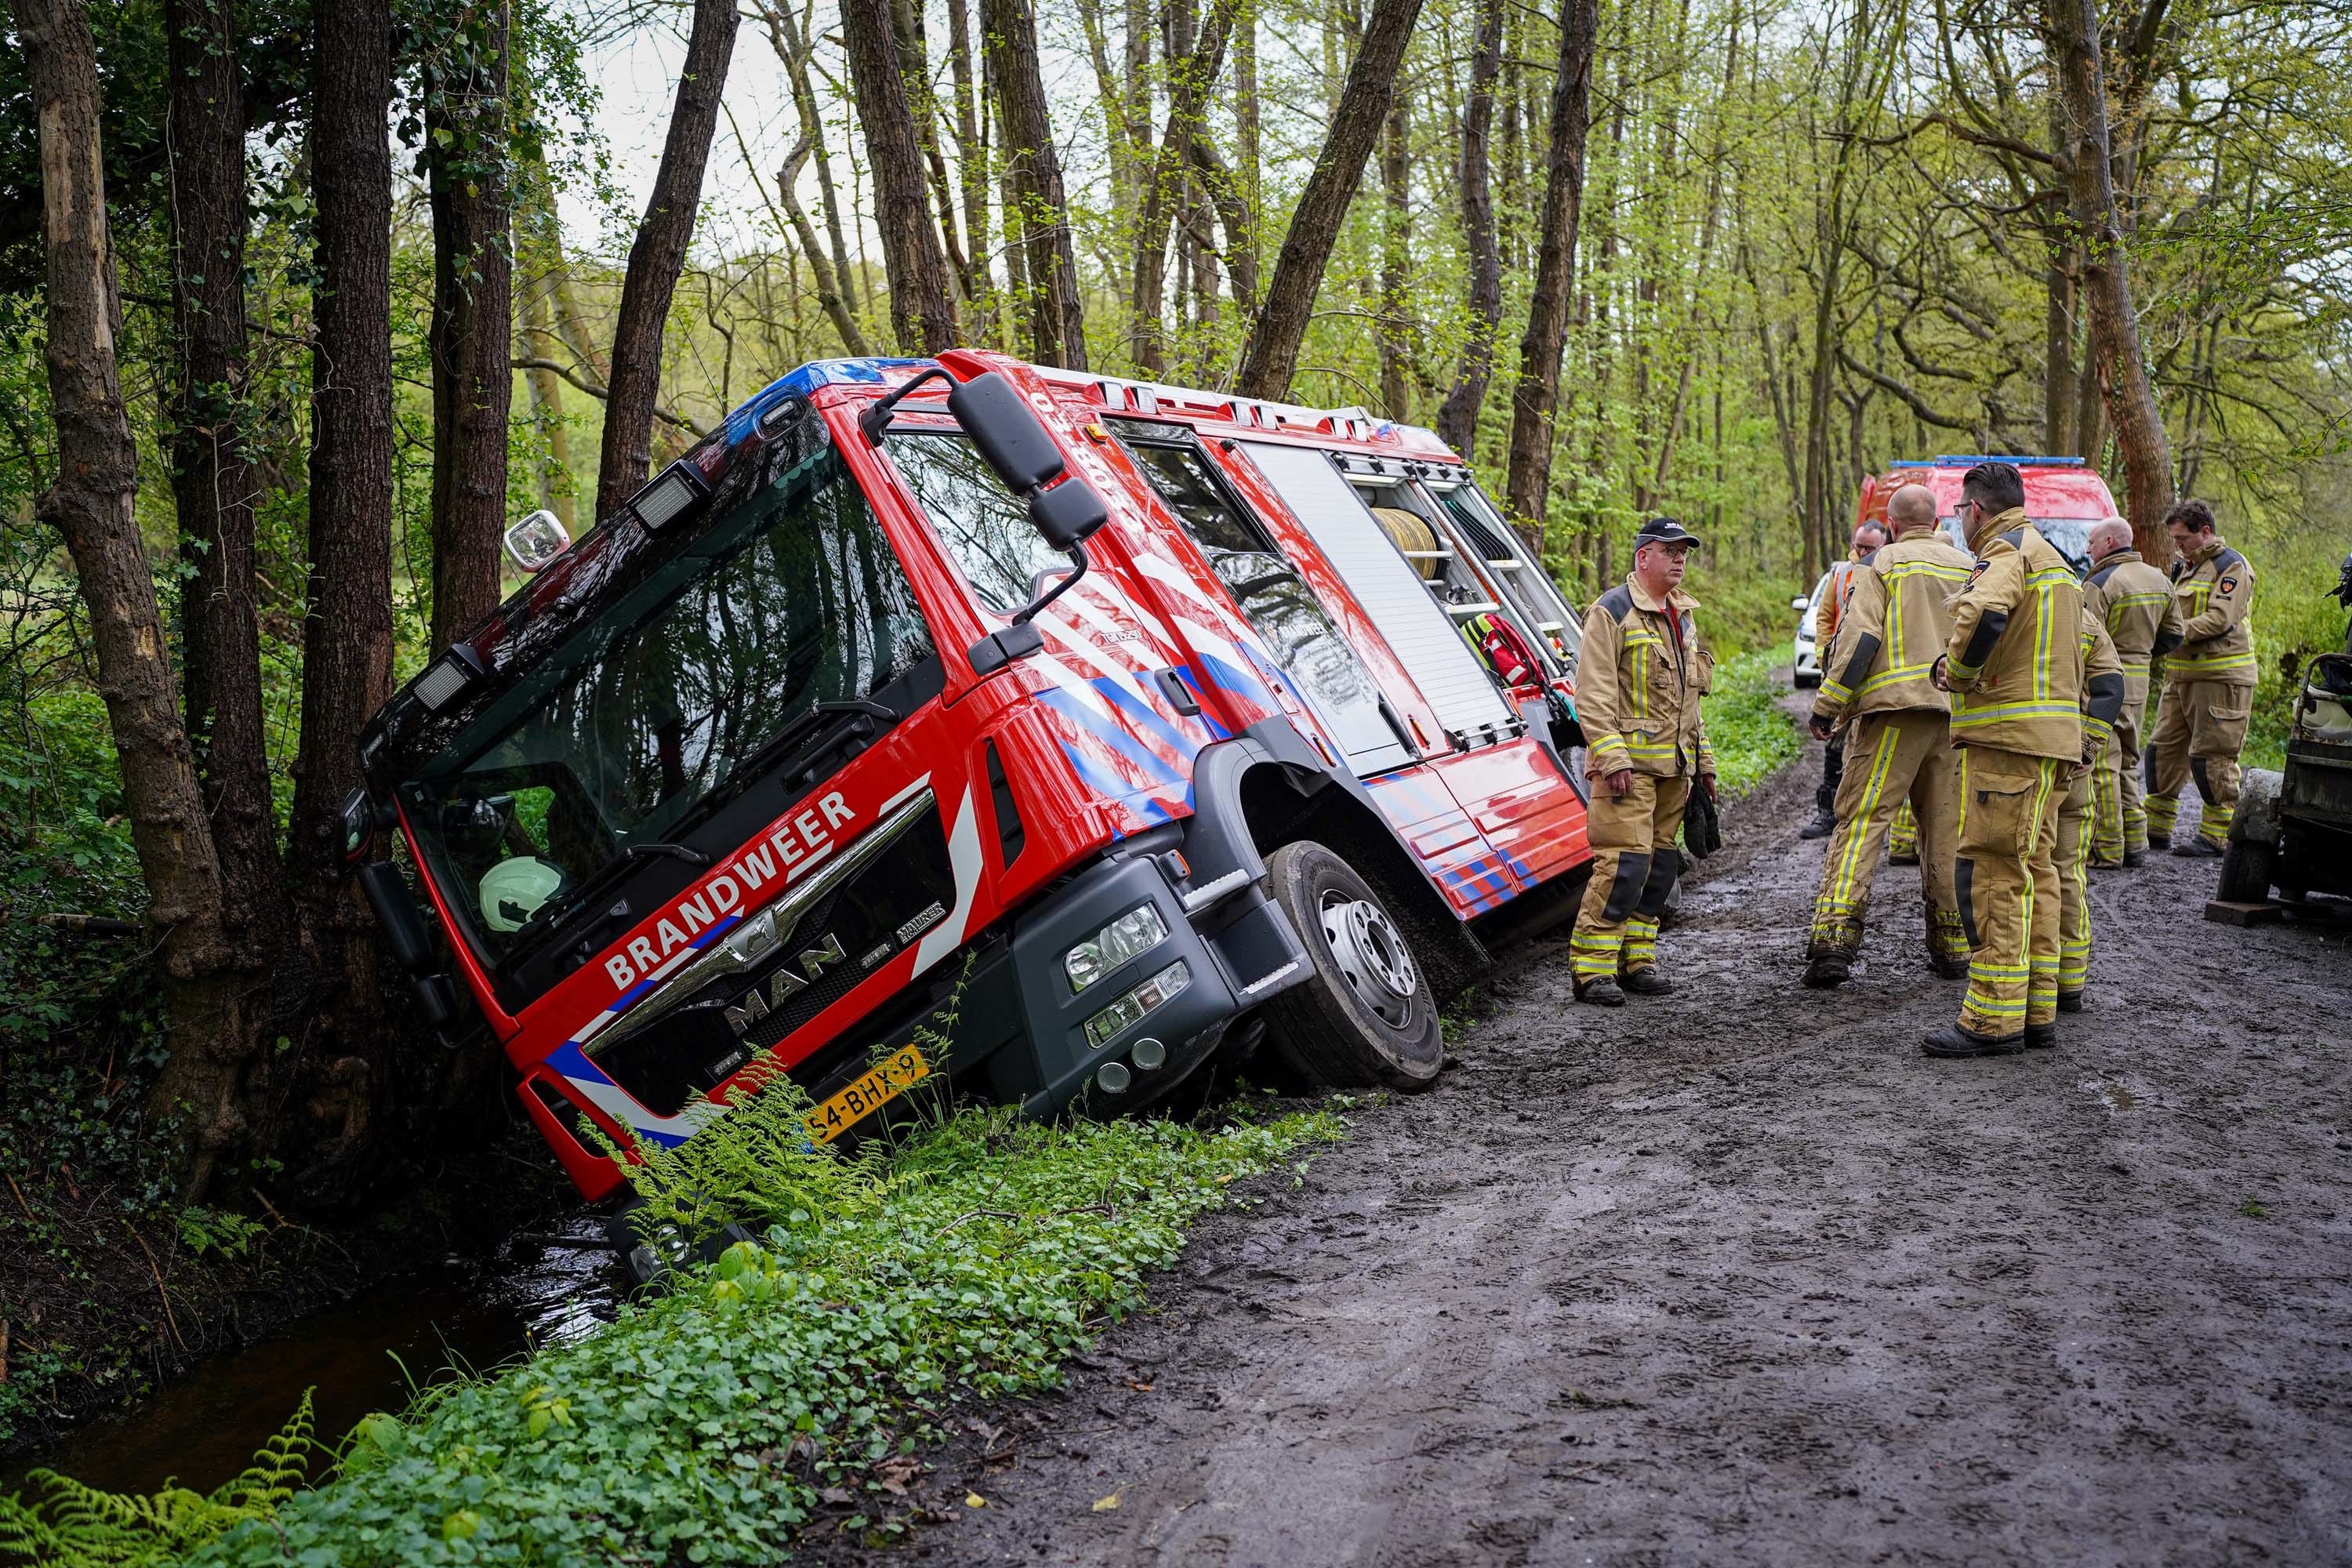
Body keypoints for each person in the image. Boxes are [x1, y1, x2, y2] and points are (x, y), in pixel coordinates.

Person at [1922, 462, 2085, 1058]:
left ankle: (1991, 1021)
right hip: (2050, 744)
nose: (1961, 522)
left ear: (1977, 511)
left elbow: (1985, 613)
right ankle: (2035, 1008)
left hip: (2007, 743)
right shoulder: (2054, 560)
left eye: (1961, 512)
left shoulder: (2005, 553)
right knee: (2036, 874)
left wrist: (1958, 676)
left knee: (1992, 876)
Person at [1799, 483, 1974, 988]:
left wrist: (1829, 705)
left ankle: (1834, 942)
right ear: (1939, 522)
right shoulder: (1969, 567)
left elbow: (1859, 640)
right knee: (1946, 834)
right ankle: (1952, 948)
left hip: (1894, 717)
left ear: (1892, 526)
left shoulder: (1884, 565)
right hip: (1954, 720)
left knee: (1863, 822)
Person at [1568, 517, 1715, 1006]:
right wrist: (1610, 757)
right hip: (1627, 773)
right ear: (1642, 558)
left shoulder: (1683, 616)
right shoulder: (1611, 612)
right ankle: (1591, 971)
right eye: (1669, 550)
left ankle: (1638, 961)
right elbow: (1591, 694)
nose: (1679, 559)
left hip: (1676, 770)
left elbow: (1689, 700)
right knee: (1625, 866)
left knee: (1660, 870)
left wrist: (1704, 763)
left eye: (1684, 552)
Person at [2145, 499, 2257, 856]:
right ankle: (2156, 830)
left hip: (2221, 678)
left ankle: (2216, 836)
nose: (2177, 545)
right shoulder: (2186, 568)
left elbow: (2219, 619)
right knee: (2161, 753)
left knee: (2212, 758)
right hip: (2181, 677)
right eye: (2175, 539)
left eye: (2183, 538)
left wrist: (2171, 634)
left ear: (2205, 532)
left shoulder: (2231, 566)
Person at [2081, 516, 2184, 866]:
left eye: (2092, 542)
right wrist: (2141, 656)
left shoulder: (2101, 582)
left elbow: (2085, 639)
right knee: (2128, 760)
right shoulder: (2158, 578)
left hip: (2103, 683)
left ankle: (2107, 849)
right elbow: (2174, 635)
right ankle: (2136, 843)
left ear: (2110, 543)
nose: (2087, 549)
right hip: (2139, 682)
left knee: (2102, 765)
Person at [2056, 604, 2128, 1009]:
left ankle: (2031, 977)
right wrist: (2088, 745)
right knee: (2068, 869)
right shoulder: (2082, 616)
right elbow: (2111, 685)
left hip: (2022, 763)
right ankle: (2070, 980)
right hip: (2072, 761)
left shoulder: (2013, 606)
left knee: (2019, 869)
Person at [1800, 521, 1891, 840]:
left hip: (1877, 675)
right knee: (1835, 744)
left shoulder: (1889, 571)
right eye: (1859, 546)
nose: (1862, 553)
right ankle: (1829, 813)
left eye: (1869, 548)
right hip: (1842, 672)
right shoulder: (1840, 573)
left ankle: (1875, 823)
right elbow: (1825, 617)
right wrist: (1828, 657)